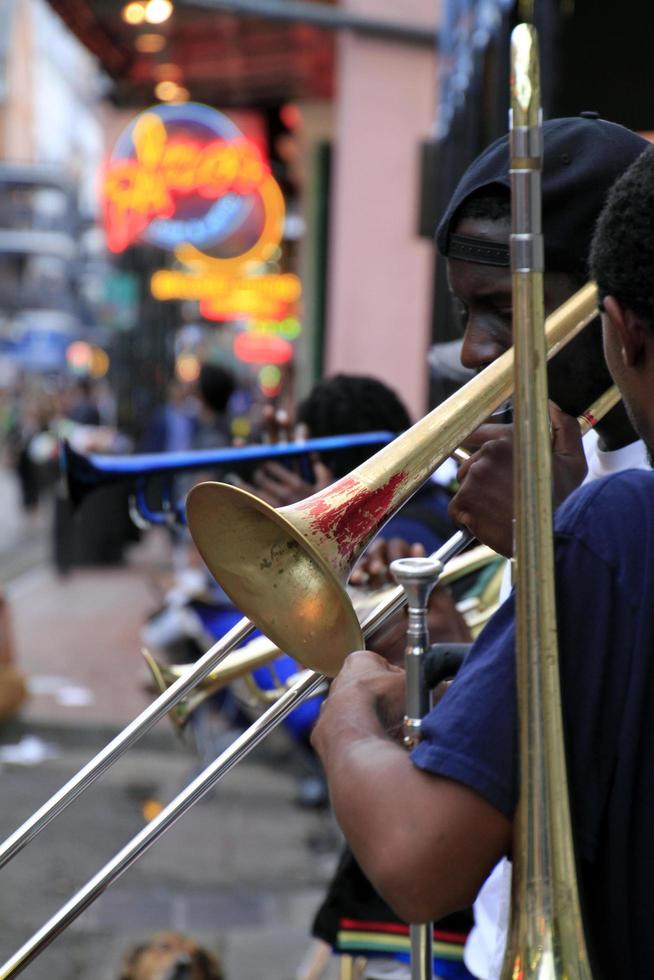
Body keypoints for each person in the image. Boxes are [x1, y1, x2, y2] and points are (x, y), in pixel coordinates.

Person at [310, 140, 654, 978]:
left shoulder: (611, 517)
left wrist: (347, 708)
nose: (470, 352)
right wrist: (461, 650)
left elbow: (419, 859)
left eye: (501, 309)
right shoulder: (593, 496)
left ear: (611, 324)